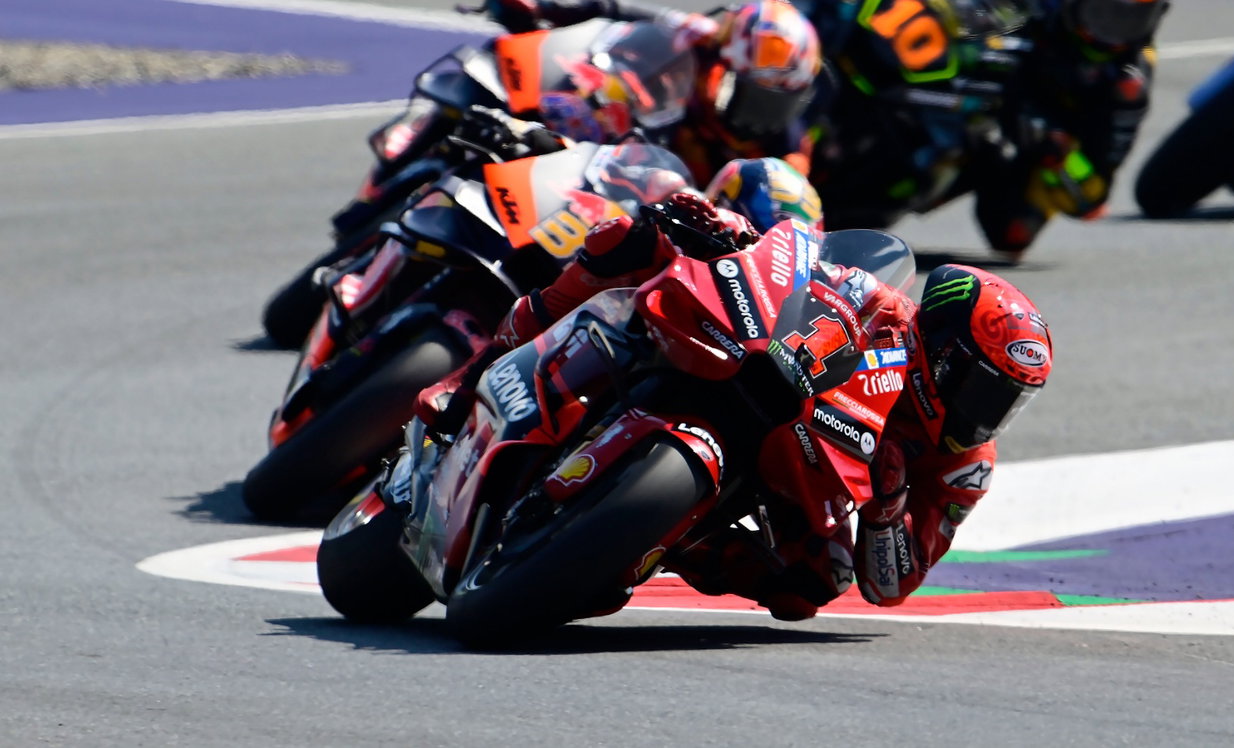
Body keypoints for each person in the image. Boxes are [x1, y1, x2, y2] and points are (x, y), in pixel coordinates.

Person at [417, 193, 1053, 620]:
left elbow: (890, 586)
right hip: (760, 371)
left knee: (813, 584)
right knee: (629, 239)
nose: (988, 413)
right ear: (941, 349)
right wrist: (733, 236)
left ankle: (657, 542)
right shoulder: (887, 312)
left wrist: (887, 505)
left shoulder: (964, 466)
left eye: (1008, 399)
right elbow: (802, 263)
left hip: (806, 475)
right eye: (985, 387)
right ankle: (476, 372)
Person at [784, 0, 1170, 255]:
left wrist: (1051, 143)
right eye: (1101, 10)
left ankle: (871, 200)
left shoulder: (1125, 82)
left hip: (1002, 139)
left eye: (1128, 19)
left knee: (1013, 232)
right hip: (944, 72)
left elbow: (1092, 198)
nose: (1109, 32)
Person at [483, 0, 823, 186]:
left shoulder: (788, 152)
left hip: (665, 211)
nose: (765, 116)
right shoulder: (706, 37)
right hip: (629, 143)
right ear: (727, 67)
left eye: (780, 102)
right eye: (757, 96)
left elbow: (788, 209)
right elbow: (607, 2)